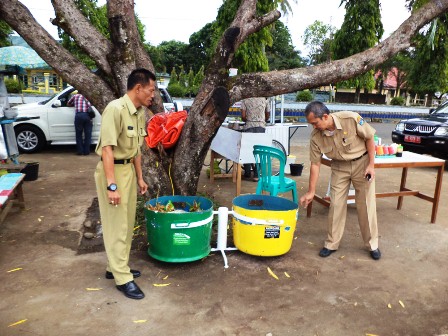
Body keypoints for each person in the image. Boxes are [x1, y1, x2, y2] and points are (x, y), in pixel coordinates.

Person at [94, 68, 153, 299]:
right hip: (113, 171)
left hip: (128, 170)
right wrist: (111, 185)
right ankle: (122, 277)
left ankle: (115, 267)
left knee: (126, 223)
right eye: (151, 90)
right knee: (116, 224)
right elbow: (107, 149)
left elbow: (136, 150)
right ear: (138, 88)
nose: (153, 95)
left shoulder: (139, 112)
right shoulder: (115, 109)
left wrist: (139, 177)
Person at [299, 101, 381, 260]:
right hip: (339, 167)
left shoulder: (350, 119)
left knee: (365, 204)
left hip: (361, 164)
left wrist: (371, 165)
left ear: (325, 116)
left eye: (315, 123)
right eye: (311, 124)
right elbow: (315, 164)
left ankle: (372, 244)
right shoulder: (316, 136)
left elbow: (370, 138)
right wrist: (311, 191)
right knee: (335, 204)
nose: (314, 127)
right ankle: (331, 243)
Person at [241, 97, 270, 182]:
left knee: (247, 150)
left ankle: (247, 174)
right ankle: (256, 175)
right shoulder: (265, 100)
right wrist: (261, 120)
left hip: (249, 127)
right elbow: (267, 114)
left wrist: (249, 120)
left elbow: (243, 116)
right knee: (259, 150)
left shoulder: (245, 100)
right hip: (261, 127)